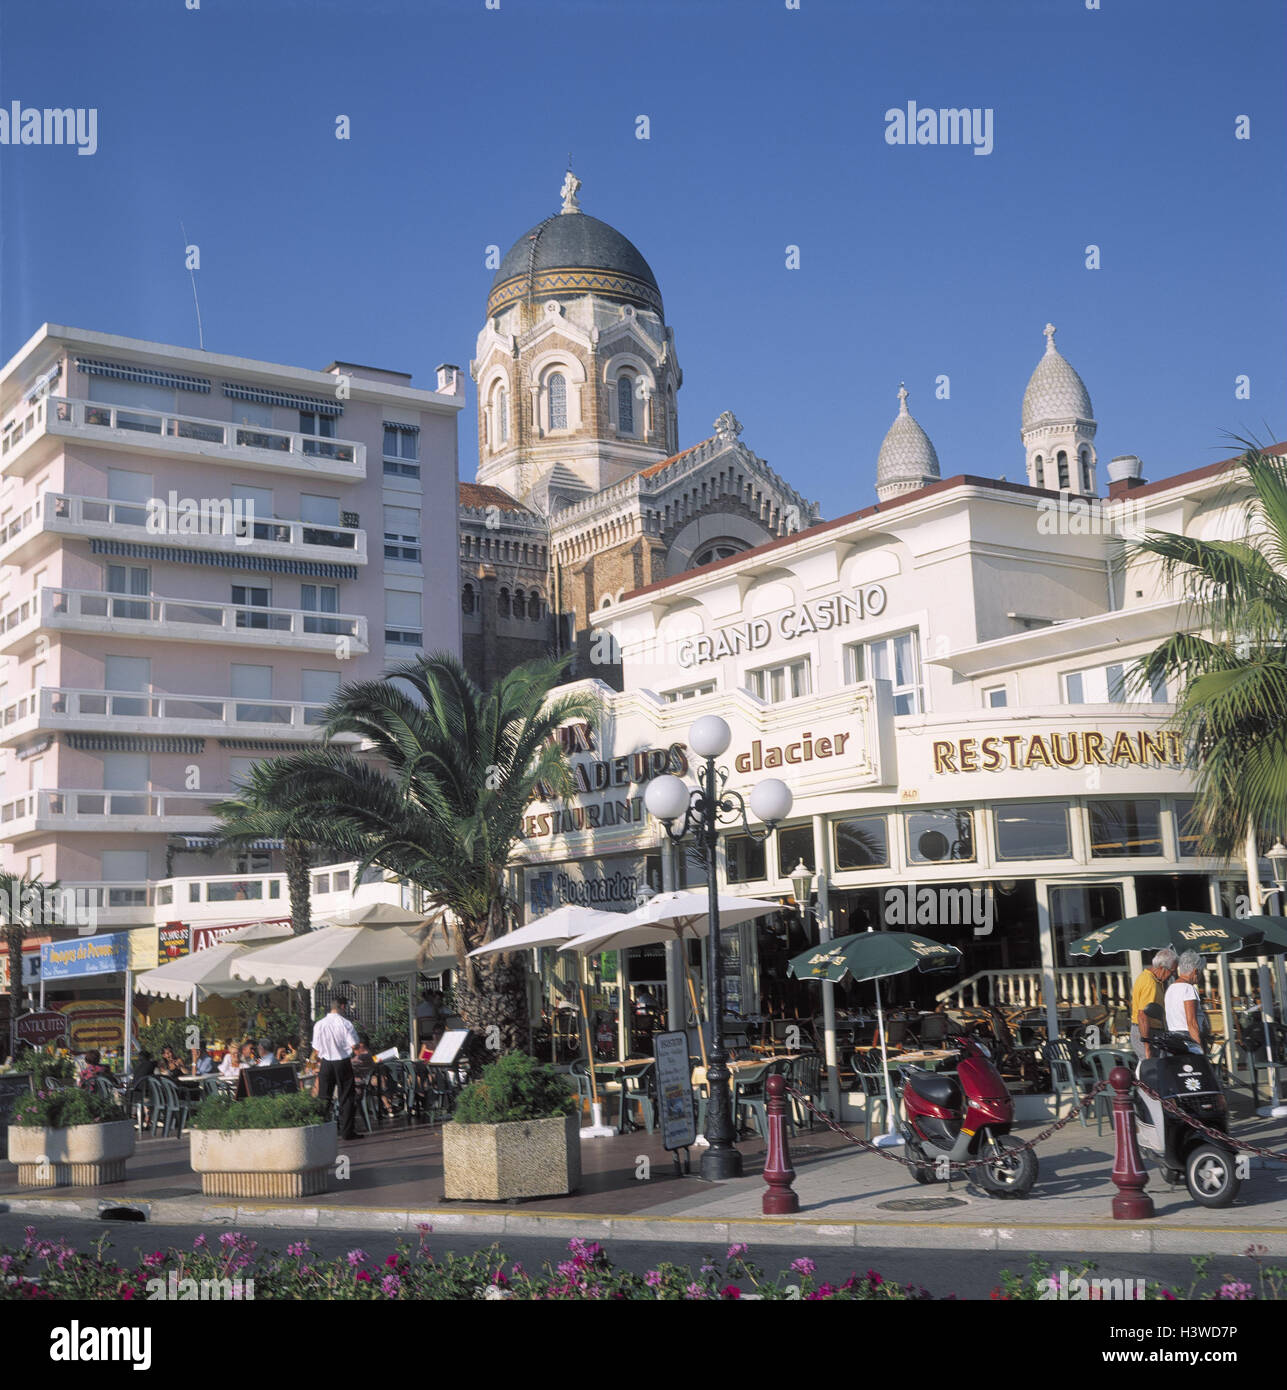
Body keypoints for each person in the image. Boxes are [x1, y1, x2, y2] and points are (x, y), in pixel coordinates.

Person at [312, 997, 360, 1140]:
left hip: (326, 1063)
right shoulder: (346, 1024)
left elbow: (316, 1049)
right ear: (343, 1007)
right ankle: (347, 1132)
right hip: (342, 1062)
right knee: (346, 1097)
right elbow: (354, 1045)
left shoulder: (319, 1024)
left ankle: (320, 1129)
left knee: (324, 1097)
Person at [1131, 947, 1177, 1062]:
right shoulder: (1150, 983)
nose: (1172, 975)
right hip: (1147, 1032)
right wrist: (1147, 1046)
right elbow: (1143, 1015)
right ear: (1162, 968)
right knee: (1151, 1070)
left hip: (1150, 1031)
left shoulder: (1148, 977)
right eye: (1172, 971)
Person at [1165, 951, 1208, 1055]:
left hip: (1173, 1036)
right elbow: (1192, 1023)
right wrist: (1199, 1050)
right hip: (1187, 1037)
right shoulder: (1188, 989)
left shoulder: (1171, 988)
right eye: (1201, 971)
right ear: (1195, 971)